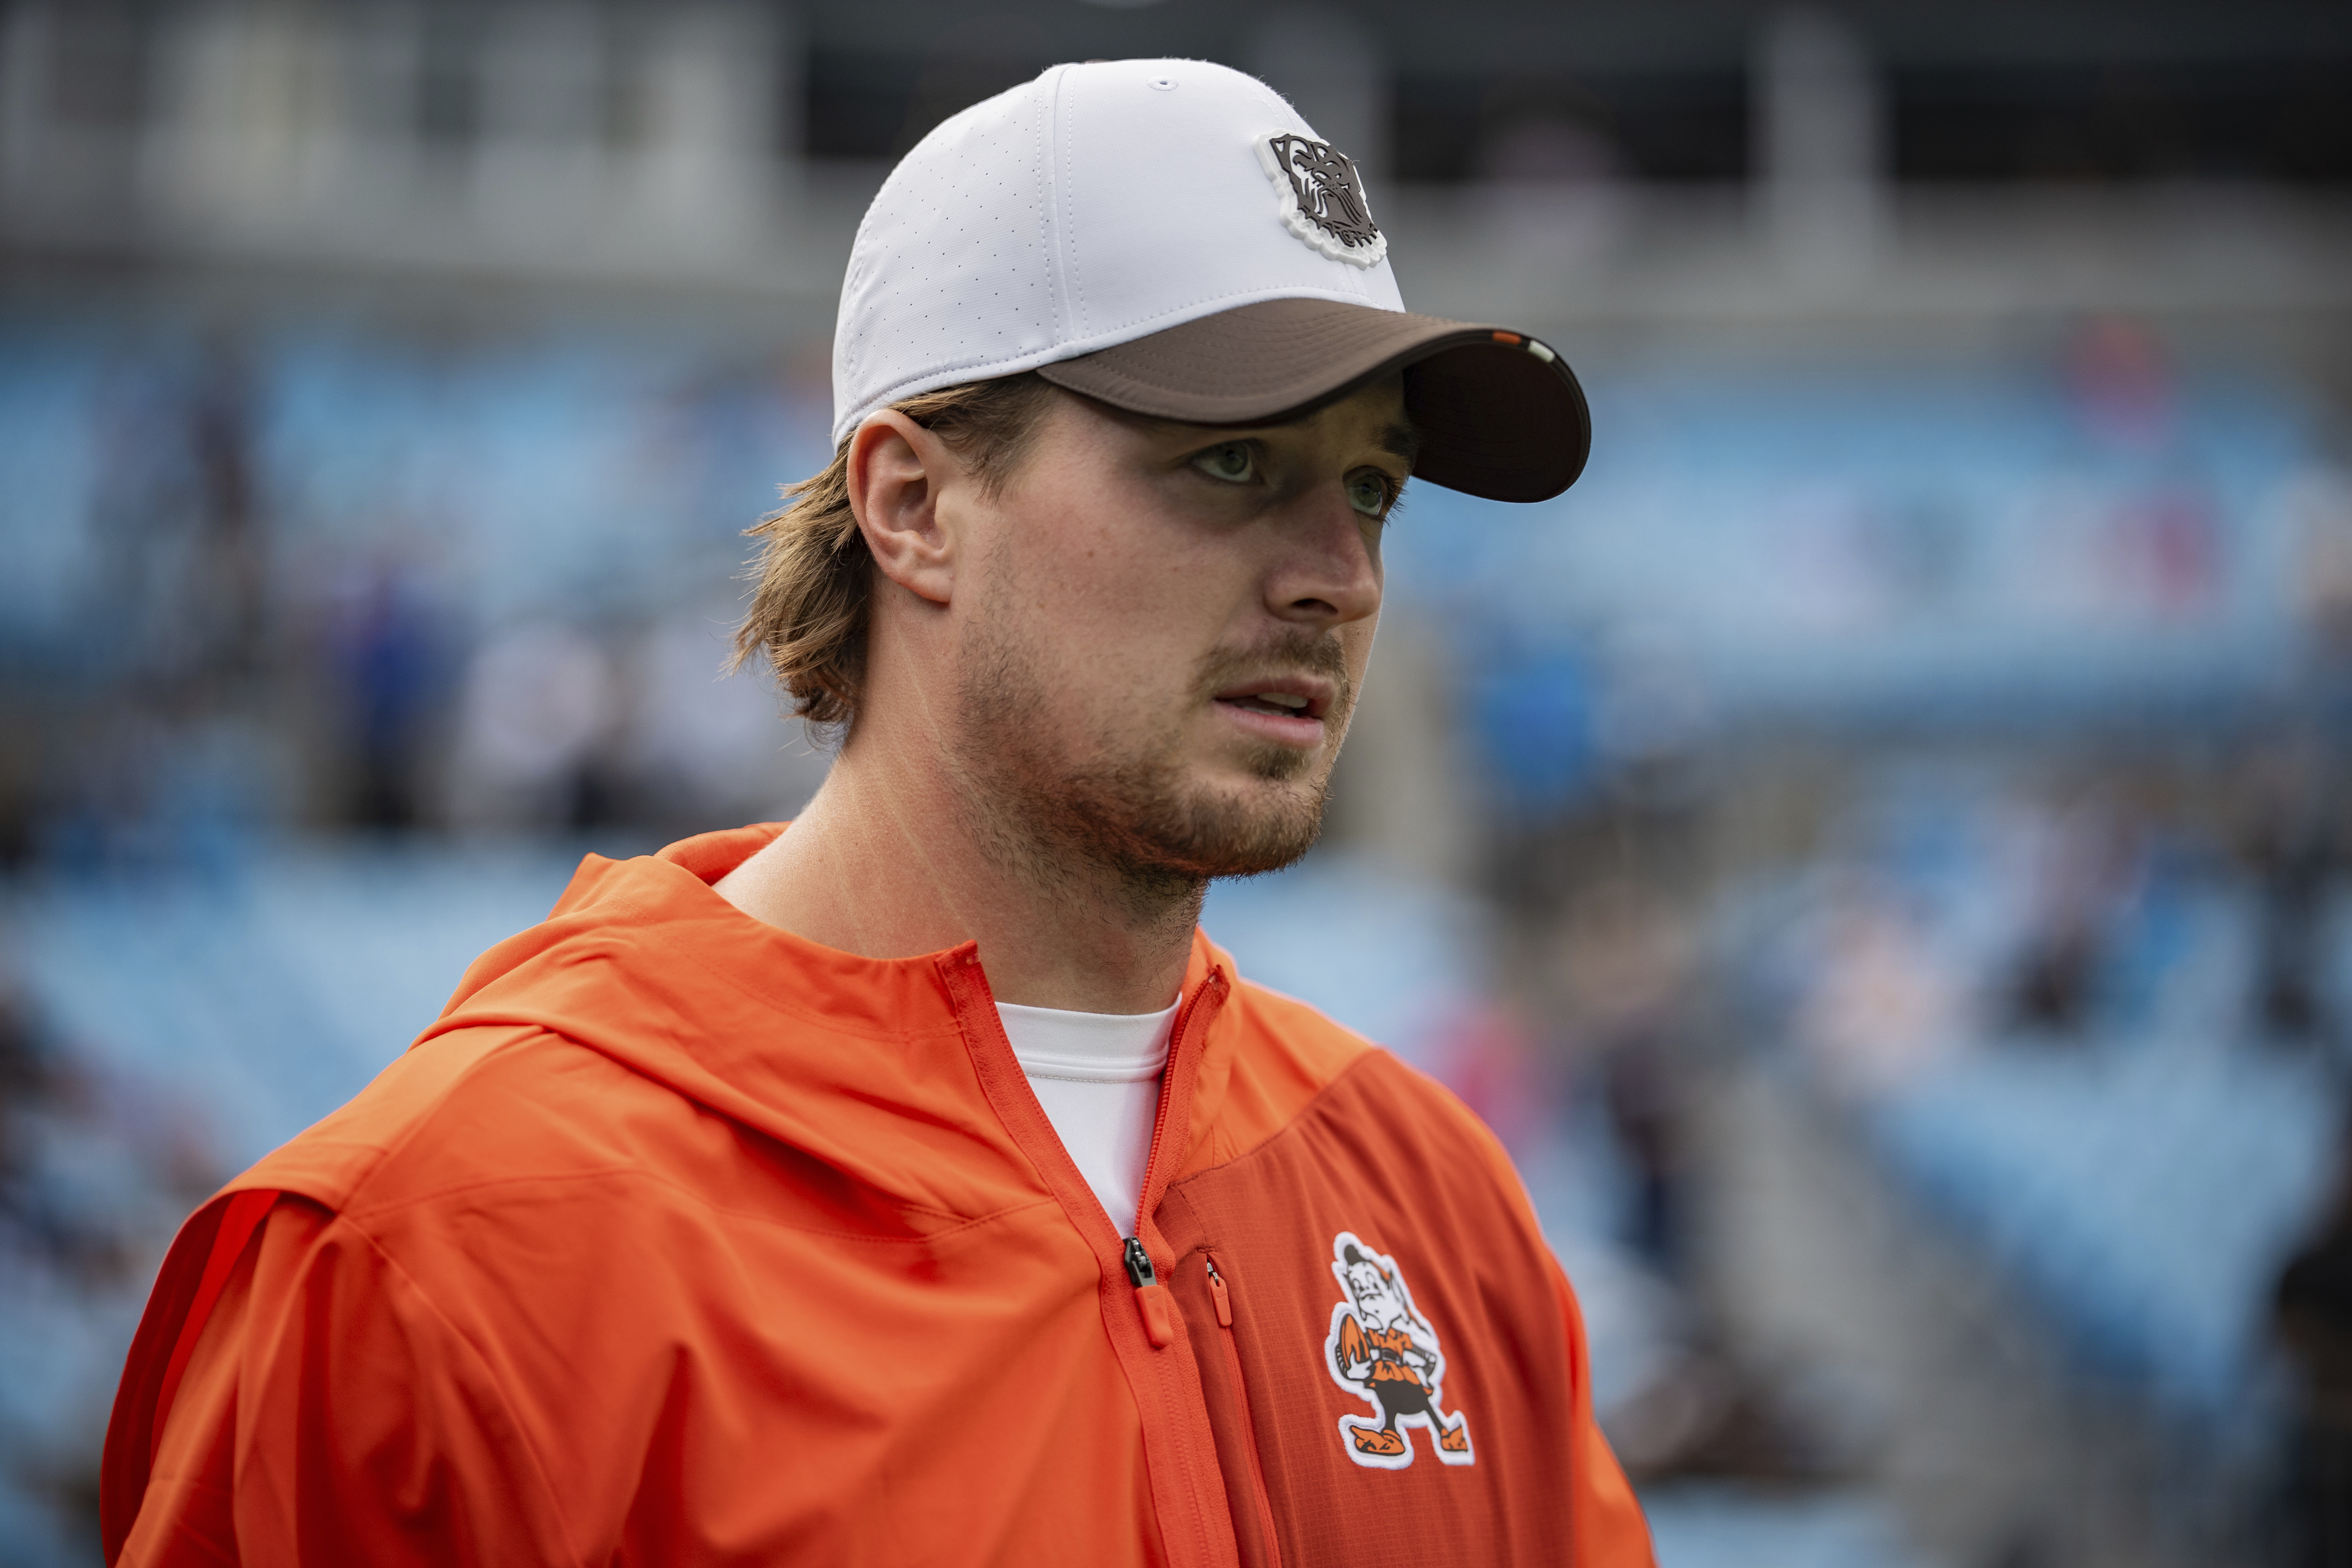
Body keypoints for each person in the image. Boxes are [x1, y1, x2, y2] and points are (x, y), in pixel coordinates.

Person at [100, 60, 1652, 1566]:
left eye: (1374, 484)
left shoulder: (1435, 1201)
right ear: (913, 505)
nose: (1344, 573)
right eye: (1232, 459)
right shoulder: (443, 1248)